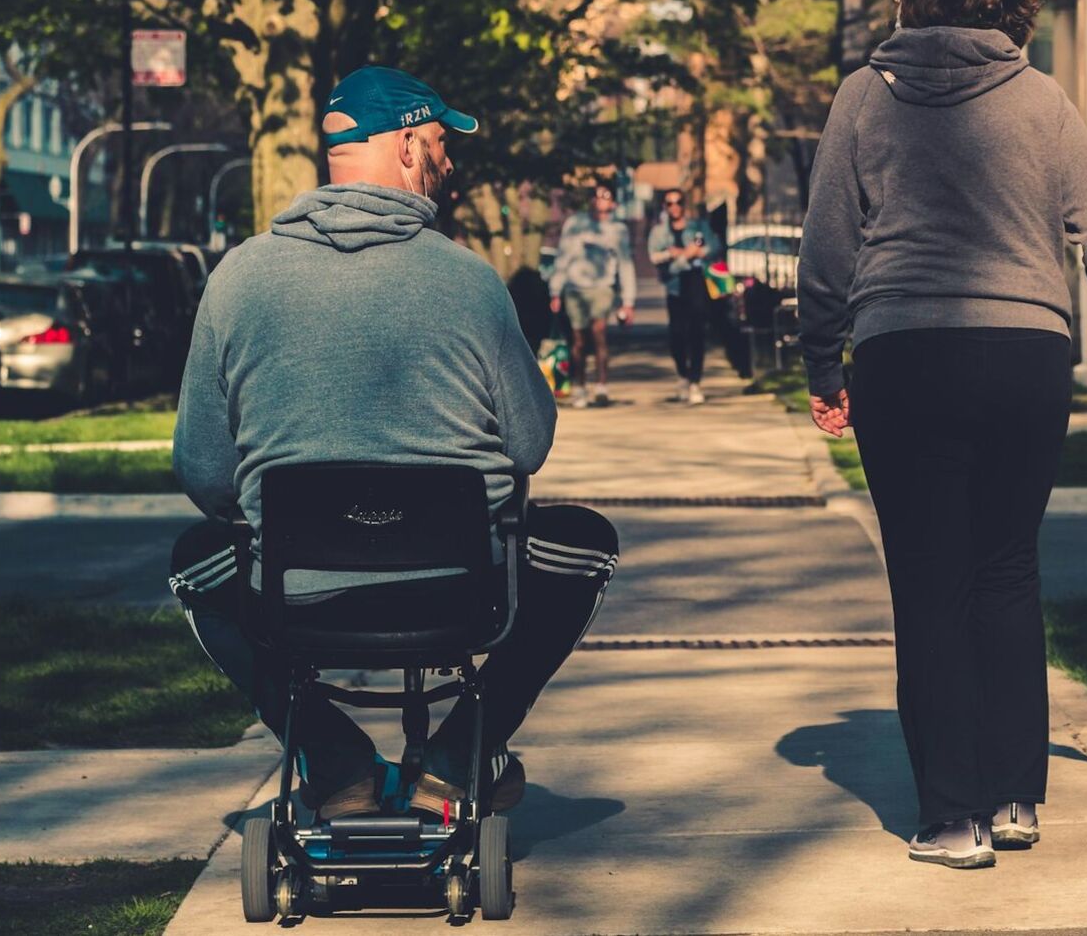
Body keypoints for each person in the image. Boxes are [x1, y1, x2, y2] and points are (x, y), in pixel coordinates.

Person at [797, 0, 1087, 870]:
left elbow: (826, 251)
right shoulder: (1043, 99)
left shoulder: (862, 98)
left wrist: (822, 366)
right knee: (1007, 570)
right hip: (1025, 355)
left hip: (905, 351)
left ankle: (952, 817)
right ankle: (1016, 796)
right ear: (1009, 10)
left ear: (906, 2)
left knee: (930, 580)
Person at [172, 65, 620, 822]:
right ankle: (456, 761)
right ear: (409, 146)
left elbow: (203, 470)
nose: (449, 162)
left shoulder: (237, 278)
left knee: (194, 564)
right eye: (442, 143)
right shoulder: (471, 282)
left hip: (295, 593)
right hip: (456, 588)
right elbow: (531, 442)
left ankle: (336, 761)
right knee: (586, 543)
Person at [548, 182, 636, 408]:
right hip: (575, 287)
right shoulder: (576, 224)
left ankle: (601, 386)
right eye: (596, 195)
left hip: (602, 287)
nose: (600, 199)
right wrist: (555, 290)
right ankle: (580, 386)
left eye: (605, 196)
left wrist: (628, 301)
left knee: (599, 333)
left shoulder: (618, 230)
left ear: (613, 203)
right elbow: (563, 256)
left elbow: (625, 265)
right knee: (578, 340)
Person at [646, 188, 725, 403]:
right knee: (677, 334)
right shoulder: (659, 232)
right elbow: (655, 257)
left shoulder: (698, 226)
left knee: (697, 332)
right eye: (669, 203)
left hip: (697, 283)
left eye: (678, 202)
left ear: (684, 204)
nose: (674, 207)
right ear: (665, 207)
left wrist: (696, 253)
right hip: (674, 286)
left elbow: (715, 245)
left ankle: (695, 382)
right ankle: (683, 374)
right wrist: (682, 256)